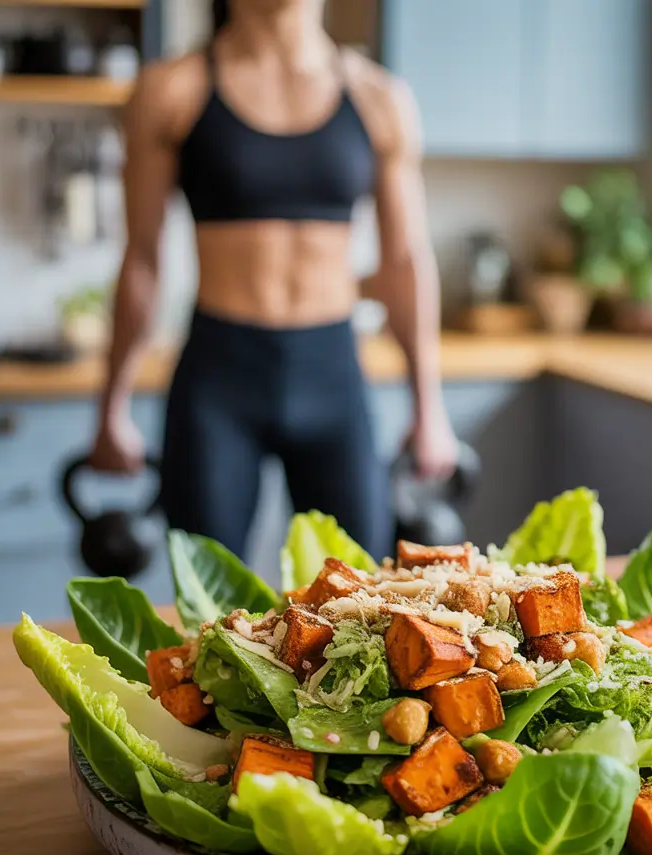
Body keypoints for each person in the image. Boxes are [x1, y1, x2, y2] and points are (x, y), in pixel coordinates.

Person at [88, 0, 457, 561]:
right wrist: (111, 408)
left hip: (332, 372)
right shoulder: (171, 91)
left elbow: (405, 261)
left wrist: (430, 409)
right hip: (219, 378)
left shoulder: (379, 98)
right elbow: (141, 261)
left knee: (362, 594)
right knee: (211, 603)